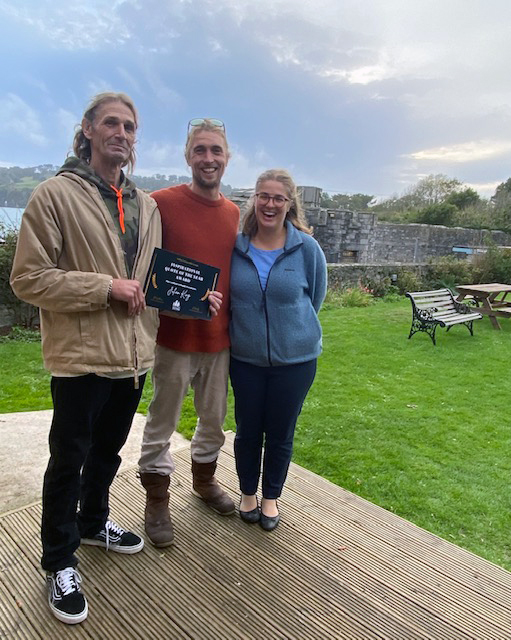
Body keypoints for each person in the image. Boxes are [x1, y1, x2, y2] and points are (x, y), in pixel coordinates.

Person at [10, 92, 162, 625]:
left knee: (107, 454)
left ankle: (94, 522)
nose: (122, 133)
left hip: (134, 357)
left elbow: (149, 283)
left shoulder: (147, 206)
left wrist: (194, 301)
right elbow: (28, 278)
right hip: (81, 359)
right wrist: (104, 288)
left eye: (131, 126)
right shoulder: (54, 195)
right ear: (89, 131)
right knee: (68, 461)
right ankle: (58, 560)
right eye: (112, 124)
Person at [138, 118, 240, 547]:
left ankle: (203, 480)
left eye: (215, 150)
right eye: (200, 150)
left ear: (227, 157)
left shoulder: (234, 212)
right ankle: (157, 499)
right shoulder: (160, 203)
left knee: (214, 421)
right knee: (161, 423)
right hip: (173, 341)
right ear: (187, 156)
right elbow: (143, 268)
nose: (208, 158)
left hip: (220, 341)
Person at [229, 169, 327, 531]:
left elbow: (315, 298)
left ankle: (271, 498)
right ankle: (248, 495)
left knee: (281, 431)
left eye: (278, 198)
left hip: (296, 362)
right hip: (246, 360)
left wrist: (291, 332)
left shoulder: (306, 248)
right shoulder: (236, 247)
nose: (270, 204)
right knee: (248, 430)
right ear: (254, 200)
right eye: (263, 196)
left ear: (289, 204)